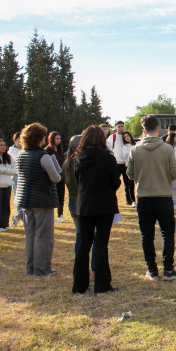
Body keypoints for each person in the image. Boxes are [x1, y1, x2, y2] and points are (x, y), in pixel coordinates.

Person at [127, 115, 176, 280]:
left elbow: (130, 174)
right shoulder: (167, 149)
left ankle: (151, 269)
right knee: (167, 234)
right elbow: (174, 172)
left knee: (147, 235)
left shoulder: (135, 150)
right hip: (163, 195)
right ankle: (168, 269)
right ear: (159, 129)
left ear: (143, 131)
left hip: (143, 196)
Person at [72, 125, 121, 293]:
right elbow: (115, 182)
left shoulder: (79, 157)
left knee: (84, 243)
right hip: (103, 204)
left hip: (85, 204)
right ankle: (102, 284)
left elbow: (78, 180)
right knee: (101, 243)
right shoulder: (107, 158)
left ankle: (79, 284)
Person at [15, 123, 62, 276]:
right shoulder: (43, 156)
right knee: (44, 234)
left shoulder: (21, 154)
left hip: (25, 199)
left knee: (30, 234)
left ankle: (31, 268)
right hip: (42, 199)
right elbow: (55, 178)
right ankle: (42, 269)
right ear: (39, 138)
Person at [61, 135, 84, 259]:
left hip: (73, 201)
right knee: (91, 236)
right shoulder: (81, 162)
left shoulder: (66, 163)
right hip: (83, 201)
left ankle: (79, 261)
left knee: (80, 234)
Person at [107, 121, 135, 207]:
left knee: (128, 183)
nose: (121, 128)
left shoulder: (125, 136)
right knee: (114, 182)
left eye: (122, 126)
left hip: (126, 164)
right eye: (119, 126)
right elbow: (108, 148)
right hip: (116, 163)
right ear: (115, 127)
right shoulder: (113, 137)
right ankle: (112, 200)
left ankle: (129, 200)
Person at [45, 132, 67, 222]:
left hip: (61, 177)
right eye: (57, 138)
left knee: (61, 196)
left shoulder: (59, 150)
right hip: (52, 177)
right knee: (52, 196)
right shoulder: (47, 150)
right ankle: (52, 216)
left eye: (59, 139)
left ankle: (60, 214)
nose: (59, 140)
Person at [8, 132, 24, 226]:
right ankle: (20, 216)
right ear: (15, 140)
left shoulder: (25, 150)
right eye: (19, 139)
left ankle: (19, 217)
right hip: (16, 176)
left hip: (25, 175)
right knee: (19, 196)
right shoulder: (11, 152)